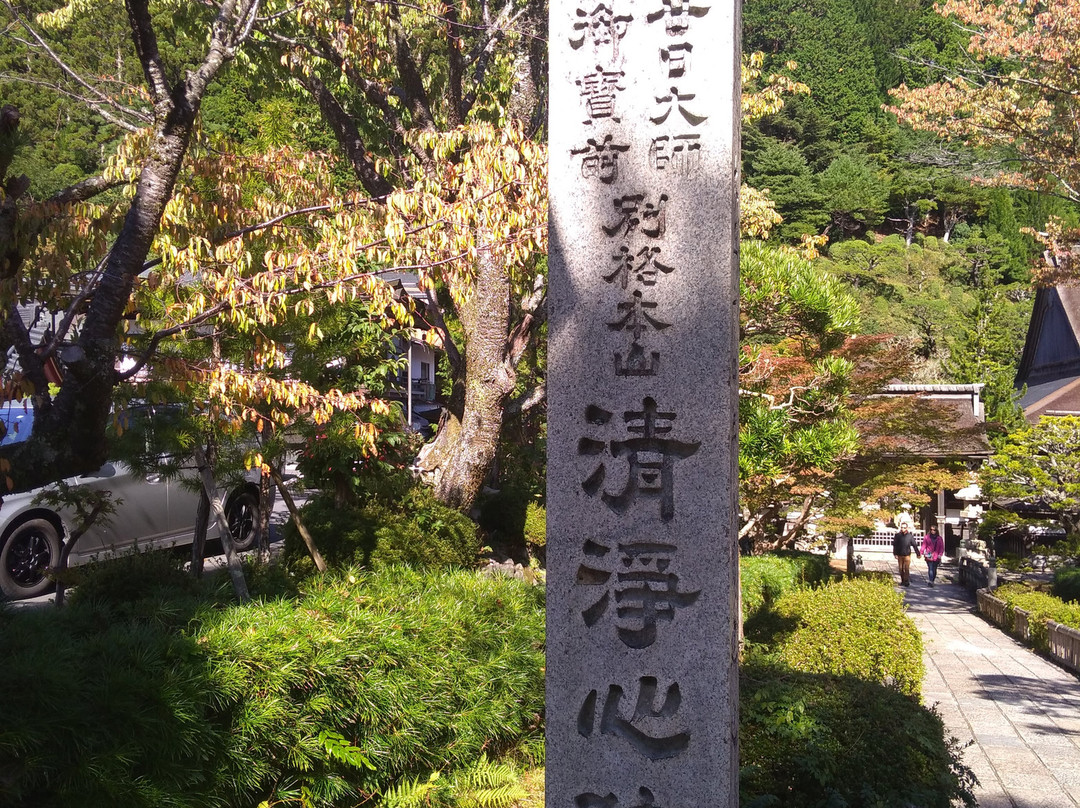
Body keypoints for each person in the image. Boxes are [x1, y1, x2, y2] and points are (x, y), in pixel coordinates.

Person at [892, 519, 921, 587]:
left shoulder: (909, 536)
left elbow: (914, 545)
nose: (903, 529)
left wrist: (918, 553)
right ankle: (902, 580)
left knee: (906, 568)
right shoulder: (897, 536)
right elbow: (895, 545)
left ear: (907, 528)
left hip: (907, 554)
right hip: (899, 554)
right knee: (900, 568)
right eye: (902, 527)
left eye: (904, 527)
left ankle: (906, 580)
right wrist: (895, 553)